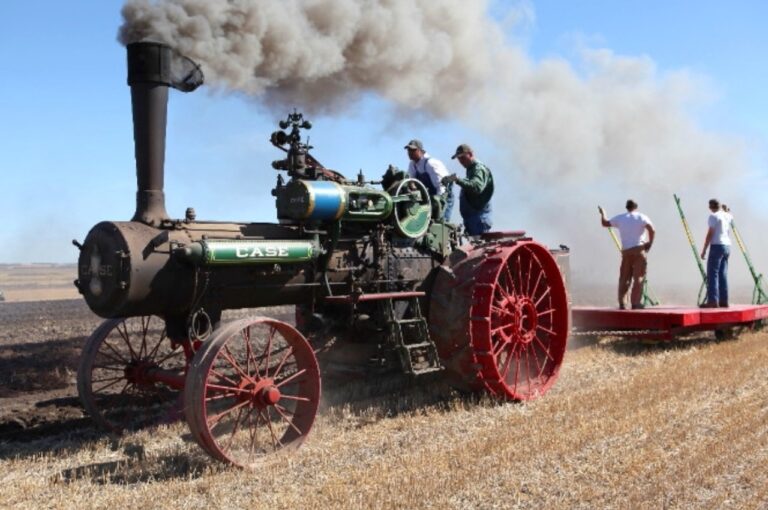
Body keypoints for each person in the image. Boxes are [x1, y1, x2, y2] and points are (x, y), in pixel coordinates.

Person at [599, 200, 655, 310]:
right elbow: (652, 229)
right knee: (638, 277)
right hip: (639, 249)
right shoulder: (642, 217)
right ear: (636, 207)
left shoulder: (621, 218)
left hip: (626, 251)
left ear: (626, 207)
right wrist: (649, 243)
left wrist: (603, 213)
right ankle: (635, 303)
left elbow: (605, 223)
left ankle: (623, 303)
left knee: (624, 278)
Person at [444, 144, 494, 235]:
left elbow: (477, 187)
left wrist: (458, 180)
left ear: (470, 154)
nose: (461, 161)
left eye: (462, 157)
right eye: (459, 159)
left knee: (478, 242)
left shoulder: (479, 169)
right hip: (472, 218)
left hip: (478, 218)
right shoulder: (471, 169)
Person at [404, 139, 453, 221]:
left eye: (413, 150)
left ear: (420, 150)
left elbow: (441, 187)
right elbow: (411, 181)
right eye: (408, 150)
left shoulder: (430, 163)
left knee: (440, 221)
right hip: (430, 196)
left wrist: (439, 204)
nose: (409, 152)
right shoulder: (412, 164)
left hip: (444, 195)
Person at [700, 198, 733, 308]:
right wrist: (726, 210)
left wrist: (704, 249)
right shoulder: (727, 216)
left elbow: (710, 234)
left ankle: (713, 301)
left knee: (712, 274)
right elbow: (730, 215)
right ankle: (724, 301)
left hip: (717, 246)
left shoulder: (713, 216)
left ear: (710, 207)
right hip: (727, 246)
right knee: (723, 274)